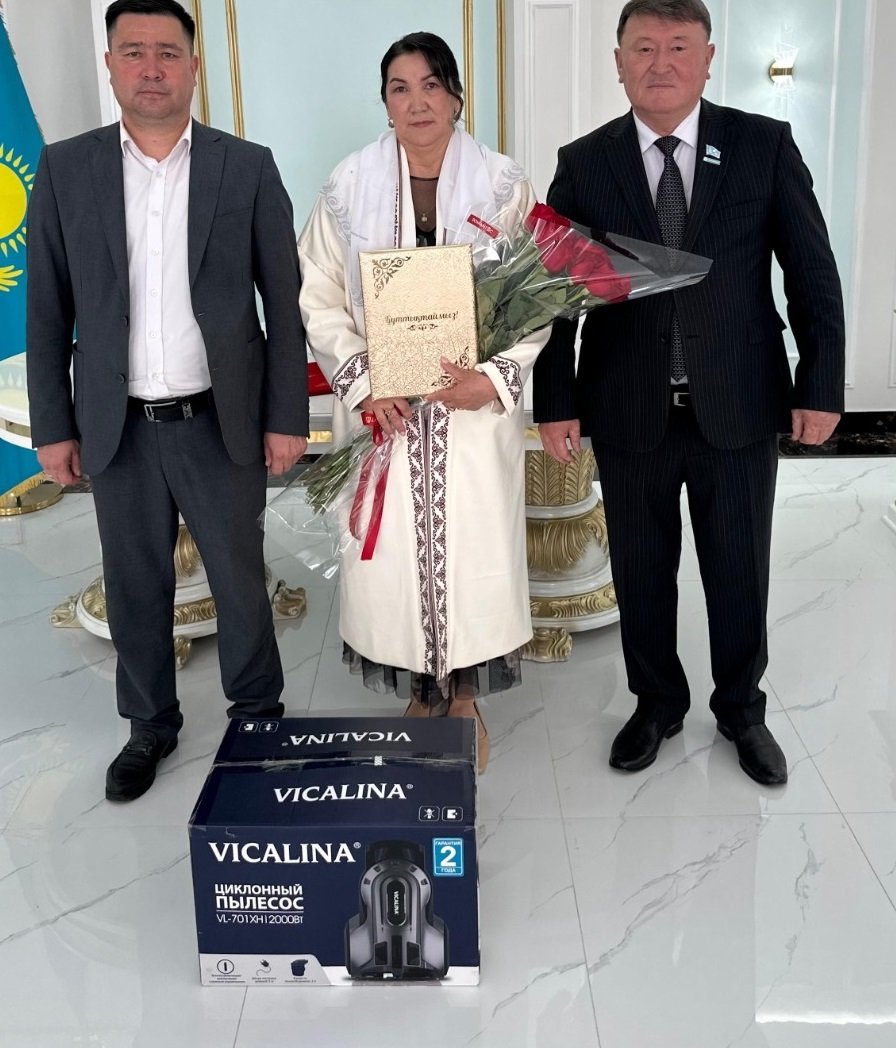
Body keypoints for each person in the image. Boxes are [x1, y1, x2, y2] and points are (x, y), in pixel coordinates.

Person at [534, 0, 845, 786]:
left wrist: (820, 383)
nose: (661, 63)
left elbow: (812, 272)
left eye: (679, 46)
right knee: (642, 572)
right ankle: (657, 703)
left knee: (738, 569)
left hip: (737, 403)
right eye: (644, 47)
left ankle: (742, 709)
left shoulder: (762, 145)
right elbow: (552, 293)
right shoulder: (585, 162)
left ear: (708, 59)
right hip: (627, 405)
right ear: (619, 62)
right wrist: (556, 400)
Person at [26, 0, 308, 802]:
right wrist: (54, 425)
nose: (151, 68)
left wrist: (287, 416)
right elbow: (45, 309)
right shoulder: (66, 169)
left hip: (220, 420)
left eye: (167, 52)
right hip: (117, 426)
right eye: (133, 51)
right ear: (110, 65)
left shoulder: (245, 166)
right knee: (134, 583)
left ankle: (257, 717)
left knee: (240, 582)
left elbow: (281, 304)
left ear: (193, 66)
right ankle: (149, 724)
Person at [297, 32, 550, 773]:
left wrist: (496, 376)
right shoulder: (347, 186)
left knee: (473, 550)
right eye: (400, 88)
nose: (417, 102)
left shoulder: (503, 184)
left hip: (471, 416)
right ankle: (419, 691)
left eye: (432, 85)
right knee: (394, 561)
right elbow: (318, 293)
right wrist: (363, 381)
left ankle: (464, 698)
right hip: (387, 415)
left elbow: (538, 296)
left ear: (456, 96)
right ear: (385, 103)